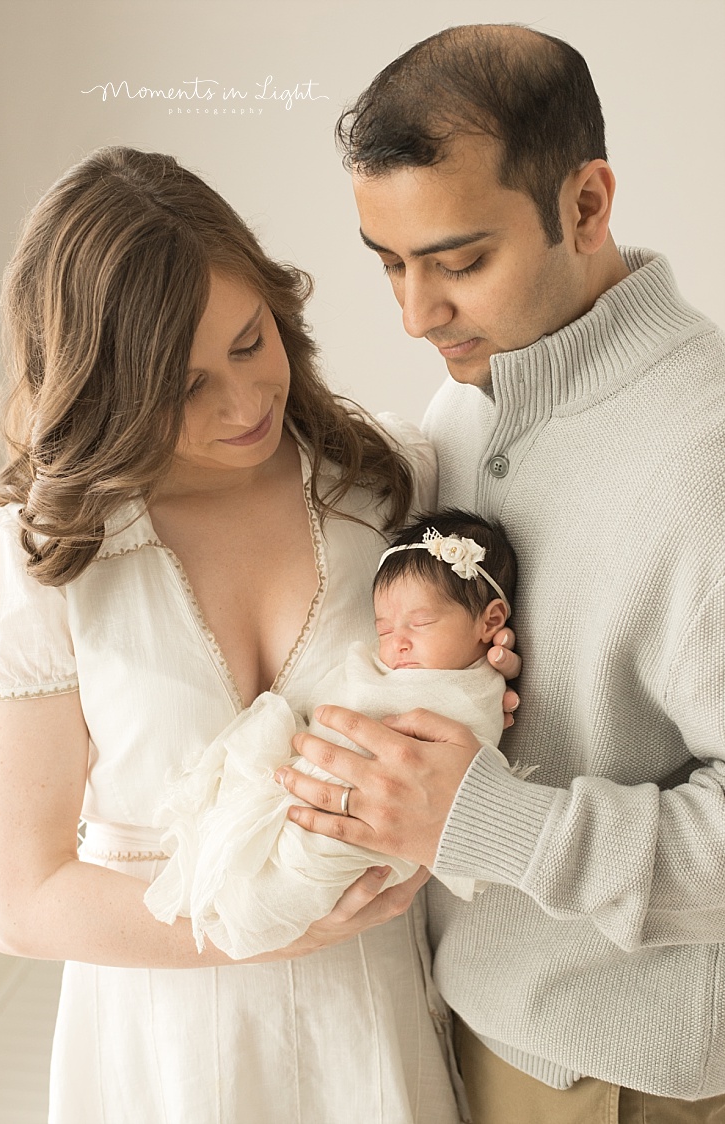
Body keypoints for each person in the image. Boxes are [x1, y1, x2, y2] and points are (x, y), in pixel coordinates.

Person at [0, 145, 520, 1124]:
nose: (242, 402)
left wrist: (476, 684)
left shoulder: (392, 479)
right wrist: (266, 931)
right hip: (159, 1053)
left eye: (247, 339)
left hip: (374, 1029)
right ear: (101, 388)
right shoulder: (38, 557)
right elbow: (22, 897)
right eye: (182, 386)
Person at [274, 24, 725, 1123]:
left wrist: (493, 822)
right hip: (461, 1029)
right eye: (390, 262)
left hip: (620, 1080)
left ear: (586, 204)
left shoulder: (706, 453)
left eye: (460, 261)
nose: (416, 313)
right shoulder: (463, 404)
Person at [144, 508, 532, 959]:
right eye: (383, 628)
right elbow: (339, 697)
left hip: (382, 816)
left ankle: (252, 910)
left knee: (305, 861)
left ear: (491, 621)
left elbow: (465, 766)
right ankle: (241, 897)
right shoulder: (379, 664)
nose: (396, 643)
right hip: (319, 781)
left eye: (420, 624)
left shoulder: (479, 691)